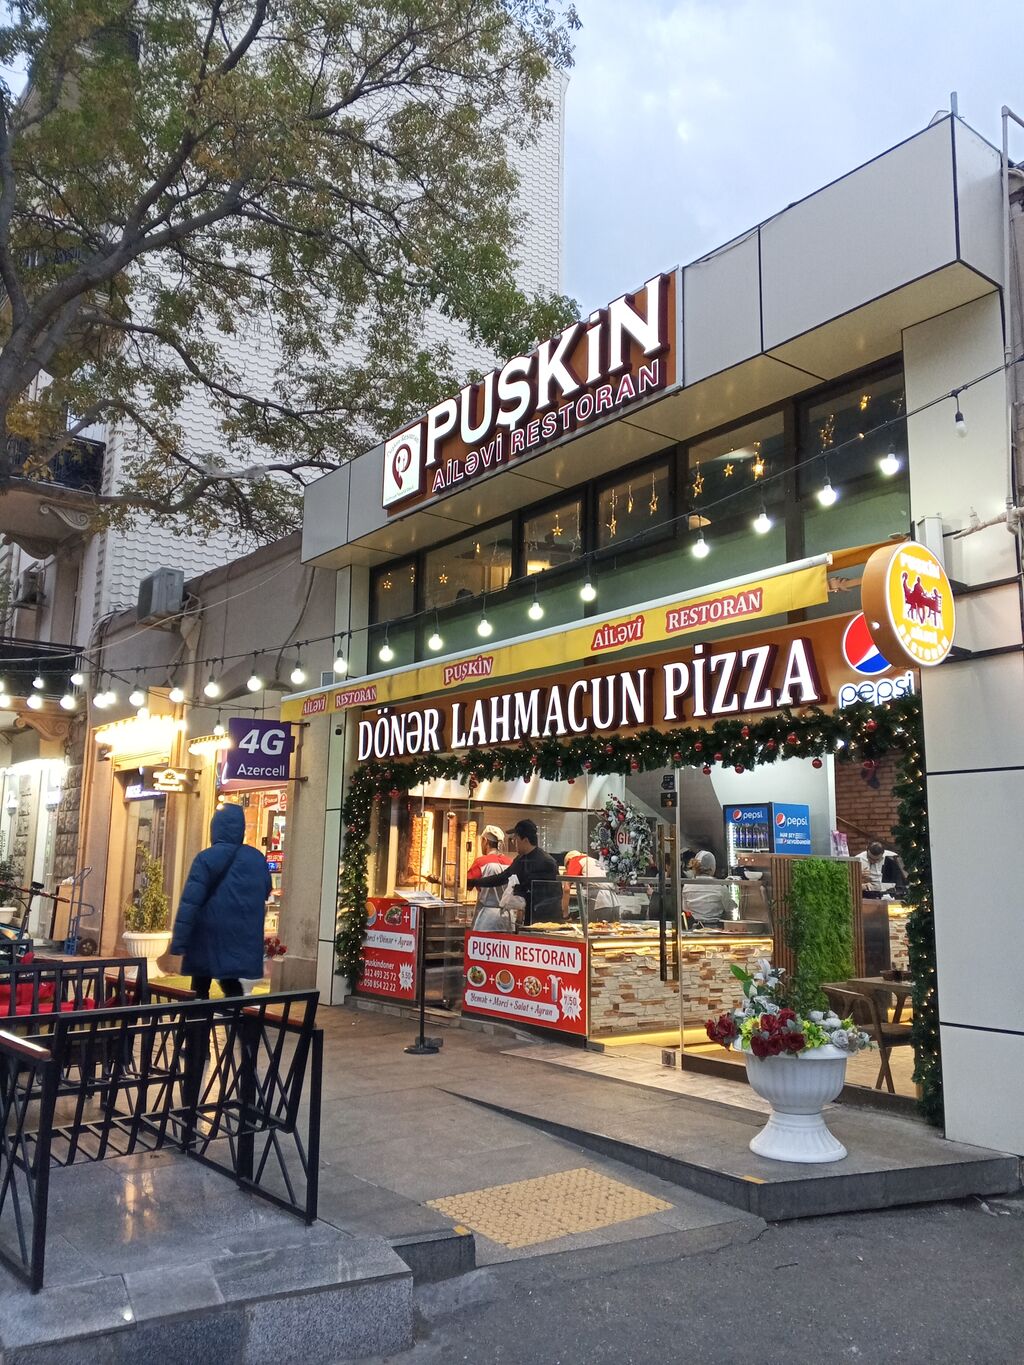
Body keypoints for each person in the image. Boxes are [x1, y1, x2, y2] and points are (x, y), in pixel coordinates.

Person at [170, 804, 272, 997]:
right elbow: (266, 891)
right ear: (241, 829)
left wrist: (179, 942)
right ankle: (237, 1015)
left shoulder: (205, 859)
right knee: (231, 983)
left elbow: (190, 903)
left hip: (207, 937)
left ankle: (199, 1016)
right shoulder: (257, 859)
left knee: (200, 986)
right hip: (239, 937)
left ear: (215, 828)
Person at [467, 818, 561, 927]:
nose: (514, 842)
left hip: (546, 920)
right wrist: (475, 882)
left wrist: (521, 891)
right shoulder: (520, 860)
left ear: (525, 840)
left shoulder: (546, 862)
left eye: (515, 839)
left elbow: (554, 895)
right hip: (529, 918)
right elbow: (502, 877)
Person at [467, 826, 514, 929]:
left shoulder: (481, 862)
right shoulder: (510, 862)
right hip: (507, 918)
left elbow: (466, 884)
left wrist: (439, 880)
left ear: (485, 841)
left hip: (487, 919)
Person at [680, 850, 733, 925]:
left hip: (695, 927)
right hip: (716, 926)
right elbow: (730, 908)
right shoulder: (720, 886)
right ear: (712, 867)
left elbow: (685, 908)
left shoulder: (687, 885)